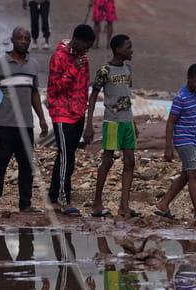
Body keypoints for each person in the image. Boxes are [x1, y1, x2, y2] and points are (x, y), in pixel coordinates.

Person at [0, 27, 48, 213]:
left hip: (26, 124)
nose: (23, 41)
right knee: (1, 165)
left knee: (26, 166)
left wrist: (42, 118)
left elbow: (34, 93)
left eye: (27, 38)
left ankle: (25, 204)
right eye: (20, 38)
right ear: (12, 40)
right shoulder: (1, 63)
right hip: (5, 124)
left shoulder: (32, 65)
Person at [84, 34, 140, 218]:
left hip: (127, 121)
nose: (131, 51)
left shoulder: (128, 69)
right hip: (112, 122)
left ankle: (124, 205)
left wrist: (134, 122)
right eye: (128, 47)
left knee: (130, 162)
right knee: (107, 161)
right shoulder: (105, 71)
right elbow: (92, 98)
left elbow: (125, 96)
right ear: (118, 49)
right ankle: (97, 203)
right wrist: (89, 124)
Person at [46, 25, 95, 215]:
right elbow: (54, 88)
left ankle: (52, 198)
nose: (87, 50)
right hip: (61, 113)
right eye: (86, 46)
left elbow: (84, 87)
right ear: (77, 40)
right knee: (66, 158)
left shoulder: (83, 58)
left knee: (67, 157)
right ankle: (65, 201)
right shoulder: (59, 58)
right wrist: (73, 69)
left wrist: (84, 112)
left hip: (77, 114)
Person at [155, 64, 196, 220]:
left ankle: (164, 203)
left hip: (193, 139)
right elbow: (170, 122)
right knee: (194, 173)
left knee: (186, 174)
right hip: (183, 140)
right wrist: (168, 147)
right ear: (189, 78)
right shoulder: (180, 97)